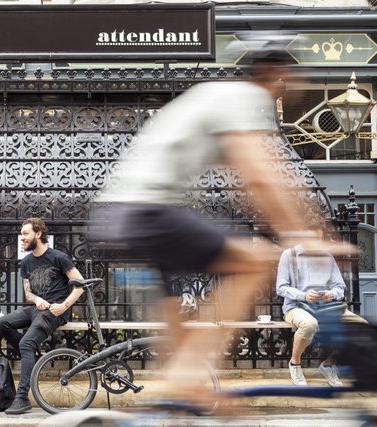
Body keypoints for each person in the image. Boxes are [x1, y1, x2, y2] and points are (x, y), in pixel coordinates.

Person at [94, 35, 352, 397]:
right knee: (257, 260)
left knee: (178, 325)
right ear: (275, 74)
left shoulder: (214, 96)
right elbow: (260, 178)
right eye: (290, 81)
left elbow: (248, 186)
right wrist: (304, 234)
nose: (289, 90)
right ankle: (187, 376)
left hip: (124, 212)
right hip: (149, 210)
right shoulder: (243, 98)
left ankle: (179, 400)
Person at [0, 217, 85, 415]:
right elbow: (27, 293)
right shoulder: (26, 262)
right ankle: (30, 354)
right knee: (4, 323)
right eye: (21, 234)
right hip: (37, 308)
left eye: (26, 234)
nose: (22, 238)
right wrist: (36, 299)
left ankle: (21, 398)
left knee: (26, 343)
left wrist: (64, 306)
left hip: (54, 311)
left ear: (38, 233)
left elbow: (81, 285)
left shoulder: (59, 257)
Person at [276, 235, 367, 387]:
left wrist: (331, 294)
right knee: (310, 324)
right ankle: (295, 363)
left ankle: (328, 365)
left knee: (362, 328)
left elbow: (340, 286)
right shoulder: (289, 255)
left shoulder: (327, 257)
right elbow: (281, 287)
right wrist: (303, 295)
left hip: (326, 306)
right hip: (297, 306)